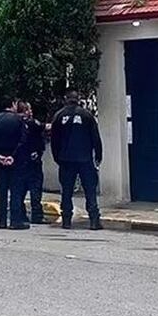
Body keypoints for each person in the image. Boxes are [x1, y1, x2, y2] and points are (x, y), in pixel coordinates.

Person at [51, 90, 103, 230]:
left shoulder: (59, 116)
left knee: (66, 191)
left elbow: (54, 139)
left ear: (65, 99)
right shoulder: (86, 115)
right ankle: (94, 220)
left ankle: (66, 220)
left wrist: (57, 157)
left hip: (66, 159)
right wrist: (98, 156)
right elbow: (95, 137)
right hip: (84, 158)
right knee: (90, 190)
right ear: (78, 99)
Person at [0, 99, 30, 230]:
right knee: (15, 190)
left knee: (2, 190)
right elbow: (23, 140)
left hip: (0, 160)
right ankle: (15, 220)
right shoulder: (18, 120)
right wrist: (13, 156)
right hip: (15, 161)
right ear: (12, 104)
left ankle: (2, 220)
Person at [18, 101, 47, 224]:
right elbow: (44, 127)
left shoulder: (15, 123)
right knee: (35, 188)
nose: (31, 111)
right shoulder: (32, 123)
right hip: (33, 161)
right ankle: (37, 215)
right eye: (28, 109)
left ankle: (20, 214)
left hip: (20, 162)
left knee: (20, 189)